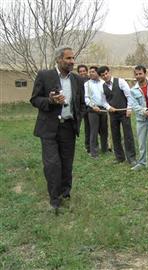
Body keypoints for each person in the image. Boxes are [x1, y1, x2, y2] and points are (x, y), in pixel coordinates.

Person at [30, 46, 85, 214]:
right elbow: (34, 99)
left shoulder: (77, 80)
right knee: (52, 164)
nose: (72, 61)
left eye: (73, 58)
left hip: (69, 128)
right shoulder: (44, 76)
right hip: (49, 129)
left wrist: (78, 118)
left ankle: (65, 194)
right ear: (58, 59)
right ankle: (54, 200)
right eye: (68, 58)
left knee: (67, 164)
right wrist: (51, 101)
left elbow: (81, 103)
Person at [97, 66, 137, 165]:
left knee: (128, 135)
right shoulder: (102, 87)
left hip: (124, 113)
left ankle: (131, 158)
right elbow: (103, 102)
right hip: (113, 114)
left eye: (106, 73)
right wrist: (108, 107)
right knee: (115, 135)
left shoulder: (120, 81)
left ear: (109, 72)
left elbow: (129, 95)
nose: (105, 76)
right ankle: (119, 157)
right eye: (103, 75)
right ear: (101, 77)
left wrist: (129, 108)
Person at [84, 66, 115, 158]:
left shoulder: (103, 83)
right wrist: (93, 106)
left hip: (104, 109)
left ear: (98, 73)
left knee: (104, 130)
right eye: (90, 72)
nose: (91, 73)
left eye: (93, 71)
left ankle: (105, 149)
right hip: (93, 110)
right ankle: (94, 153)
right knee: (93, 131)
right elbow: (86, 98)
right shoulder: (87, 84)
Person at [77, 64, 91, 153]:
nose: (82, 73)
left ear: (87, 71)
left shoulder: (91, 81)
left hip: (91, 106)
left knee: (97, 127)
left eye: (83, 71)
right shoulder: (76, 81)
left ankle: (105, 145)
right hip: (81, 107)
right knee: (87, 128)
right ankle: (88, 146)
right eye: (80, 71)